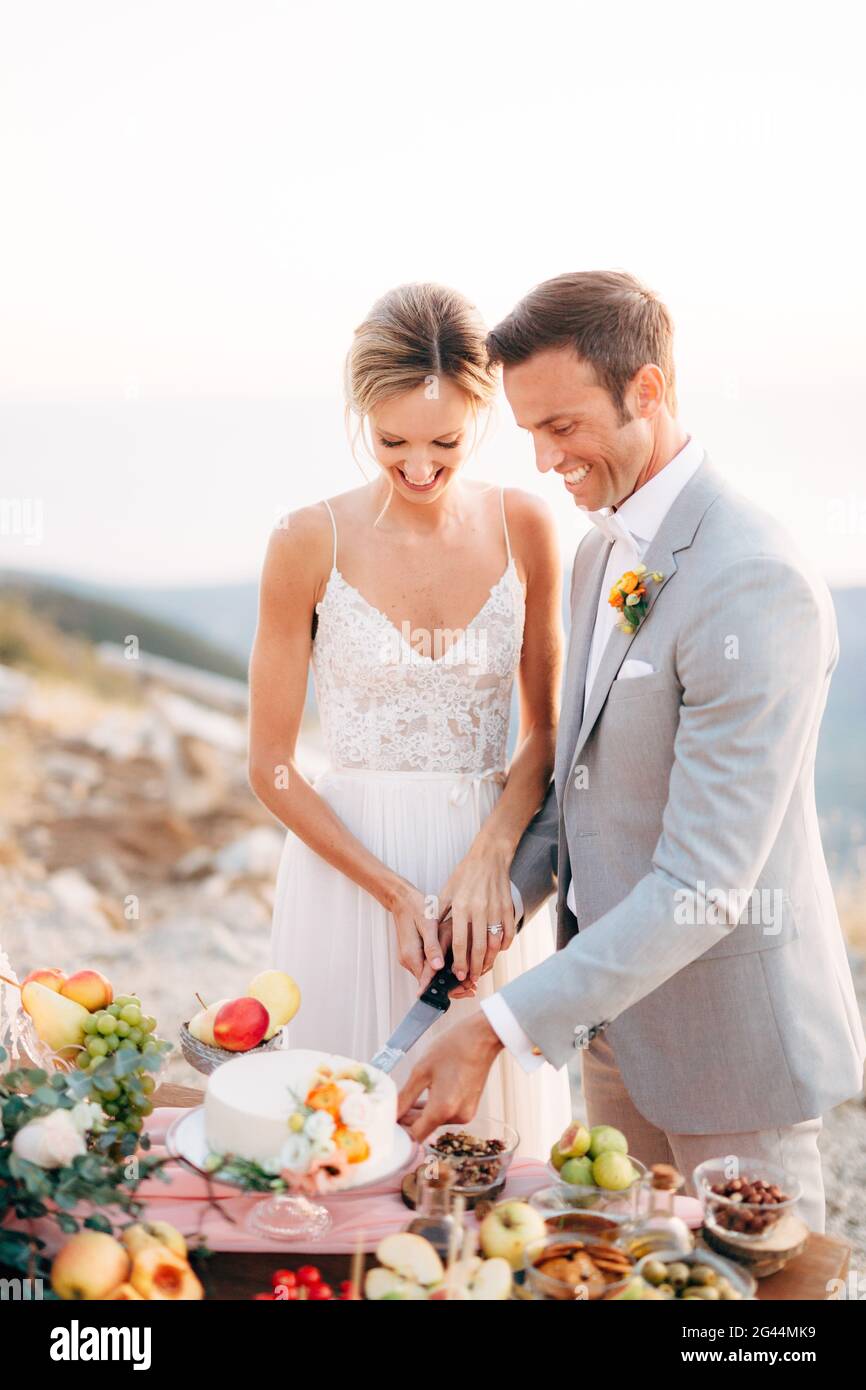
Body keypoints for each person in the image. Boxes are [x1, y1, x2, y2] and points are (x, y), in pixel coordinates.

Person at [397, 270, 866, 1230]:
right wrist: (495, 908)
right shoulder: (598, 555)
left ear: (646, 393)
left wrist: (499, 1026)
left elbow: (703, 883)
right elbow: (586, 784)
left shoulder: (755, 581)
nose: (543, 459)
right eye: (529, 431)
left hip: (735, 1059)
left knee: (764, 1319)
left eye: (563, 427)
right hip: (617, 1037)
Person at [249, 282, 571, 1154]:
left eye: (446, 442)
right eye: (393, 442)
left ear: (481, 413)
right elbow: (270, 766)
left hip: (486, 882)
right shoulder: (306, 540)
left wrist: (494, 856)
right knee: (332, 1154)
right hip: (346, 877)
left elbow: (547, 732)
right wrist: (392, 891)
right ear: (361, 416)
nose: (421, 467)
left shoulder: (527, 526)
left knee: (487, 1156)